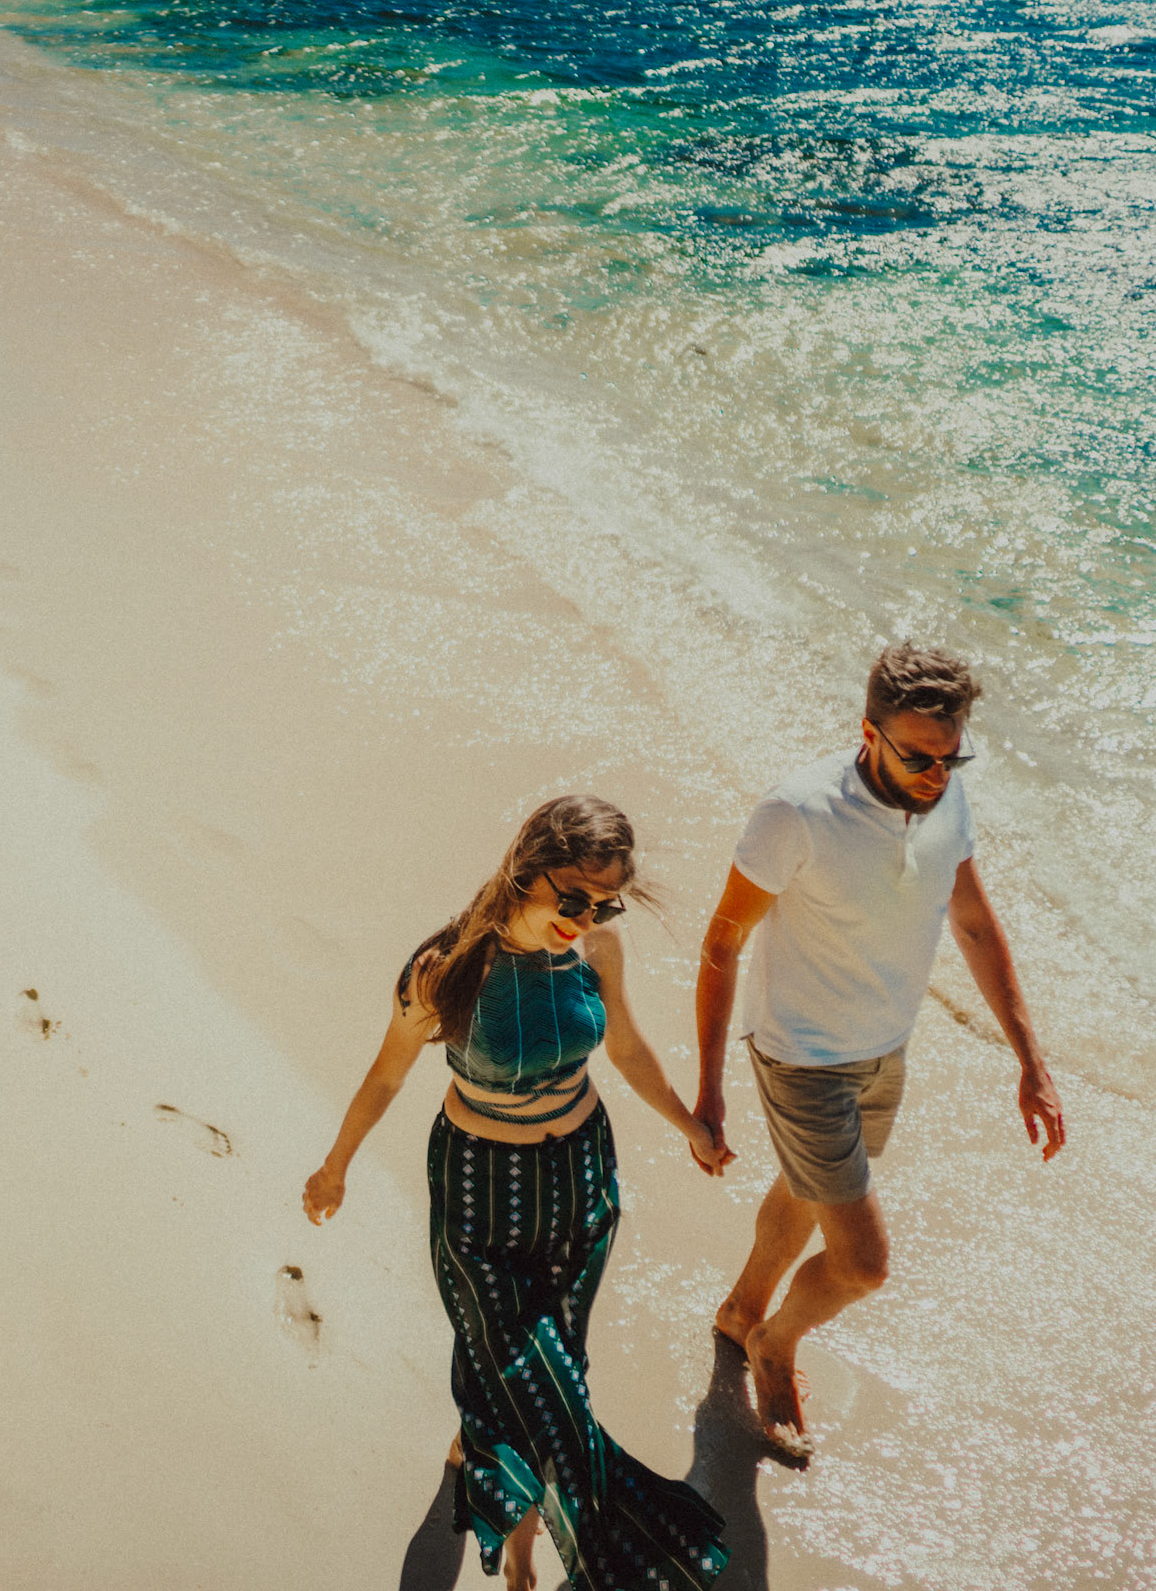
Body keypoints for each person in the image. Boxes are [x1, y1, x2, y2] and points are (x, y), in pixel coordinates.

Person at [303, 795, 731, 1591]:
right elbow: (389, 1069)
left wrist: (688, 1123)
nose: (587, 916)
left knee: (556, 1366)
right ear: (524, 870)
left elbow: (628, 1048)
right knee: (539, 1384)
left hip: (580, 1183)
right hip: (478, 1189)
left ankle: (504, 1485)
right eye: (571, 897)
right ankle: (613, 1553)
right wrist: (336, 1165)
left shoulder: (598, 948)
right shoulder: (444, 968)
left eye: (605, 902)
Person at [694, 643, 1066, 1454]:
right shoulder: (797, 814)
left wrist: (1030, 1061)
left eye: (950, 756)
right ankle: (775, 1343)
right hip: (801, 1054)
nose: (936, 774)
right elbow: (722, 944)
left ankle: (740, 1310)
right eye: (917, 756)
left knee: (807, 1189)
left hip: (884, 1046)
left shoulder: (948, 798)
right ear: (868, 732)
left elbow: (971, 920)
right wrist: (710, 1088)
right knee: (862, 1264)